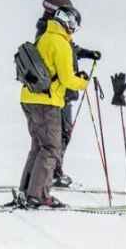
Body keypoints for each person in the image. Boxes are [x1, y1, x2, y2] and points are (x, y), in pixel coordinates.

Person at [18, 0, 88, 209]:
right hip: (47, 102)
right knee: (50, 147)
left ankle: (27, 190)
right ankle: (38, 194)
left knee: (38, 146)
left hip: (29, 98)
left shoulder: (45, 36)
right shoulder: (61, 43)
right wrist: (82, 82)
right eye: (73, 25)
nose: (73, 29)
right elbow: (67, 78)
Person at [36, 13, 101, 188]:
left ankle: (44, 177)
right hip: (57, 95)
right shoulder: (54, 37)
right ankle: (54, 173)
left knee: (50, 140)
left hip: (57, 95)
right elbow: (64, 71)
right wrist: (81, 82)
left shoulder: (52, 33)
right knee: (57, 137)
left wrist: (86, 53)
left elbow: (72, 50)